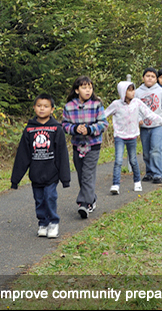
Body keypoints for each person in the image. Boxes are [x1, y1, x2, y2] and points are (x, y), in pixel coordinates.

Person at [11, 94, 70, 238]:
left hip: (52, 173)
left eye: (46, 106)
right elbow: (22, 155)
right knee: (39, 200)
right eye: (39, 106)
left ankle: (53, 222)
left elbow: (62, 154)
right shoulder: (29, 130)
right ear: (34, 108)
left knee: (50, 196)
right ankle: (43, 222)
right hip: (36, 173)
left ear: (52, 109)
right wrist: (15, 179)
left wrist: (65, 178)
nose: (42, 109)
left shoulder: (57, 129)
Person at [105, 81, 162, 193]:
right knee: (118, 160)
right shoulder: (116, 104)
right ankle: (115, 185)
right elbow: (104, 115)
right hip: (119, 136)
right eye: (130, 90)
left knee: (133, 160)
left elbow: (148, 113)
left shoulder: (137, 103)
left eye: (133, 89)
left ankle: (137, 182)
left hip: (132, 136)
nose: (133, 92)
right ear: (123, 92)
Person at [62, 76, 108, 219]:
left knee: (88, 173)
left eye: (90, 87)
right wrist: (75, 129)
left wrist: (89, 129)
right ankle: (91, 198)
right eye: (84, 87)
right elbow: (64, 125)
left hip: (93, 145)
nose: (88, 90)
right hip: (77, 145)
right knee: (82, 175)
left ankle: (84, 204)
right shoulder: (69, 107)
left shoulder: (97, 104)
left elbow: (104, 124)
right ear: (77, 90)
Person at [136, 68, 162, 184]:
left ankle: (158, 174)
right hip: (144, 126)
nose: (150, 78)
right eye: (147, 76)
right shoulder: (138, 92)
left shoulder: (160, 92)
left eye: (153, 76)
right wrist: (138, 119)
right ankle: (149, 172)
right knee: (146, 151)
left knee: (156, 149)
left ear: (156, 79)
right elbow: (134, 109)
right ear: (143, 77)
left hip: (158, 125)